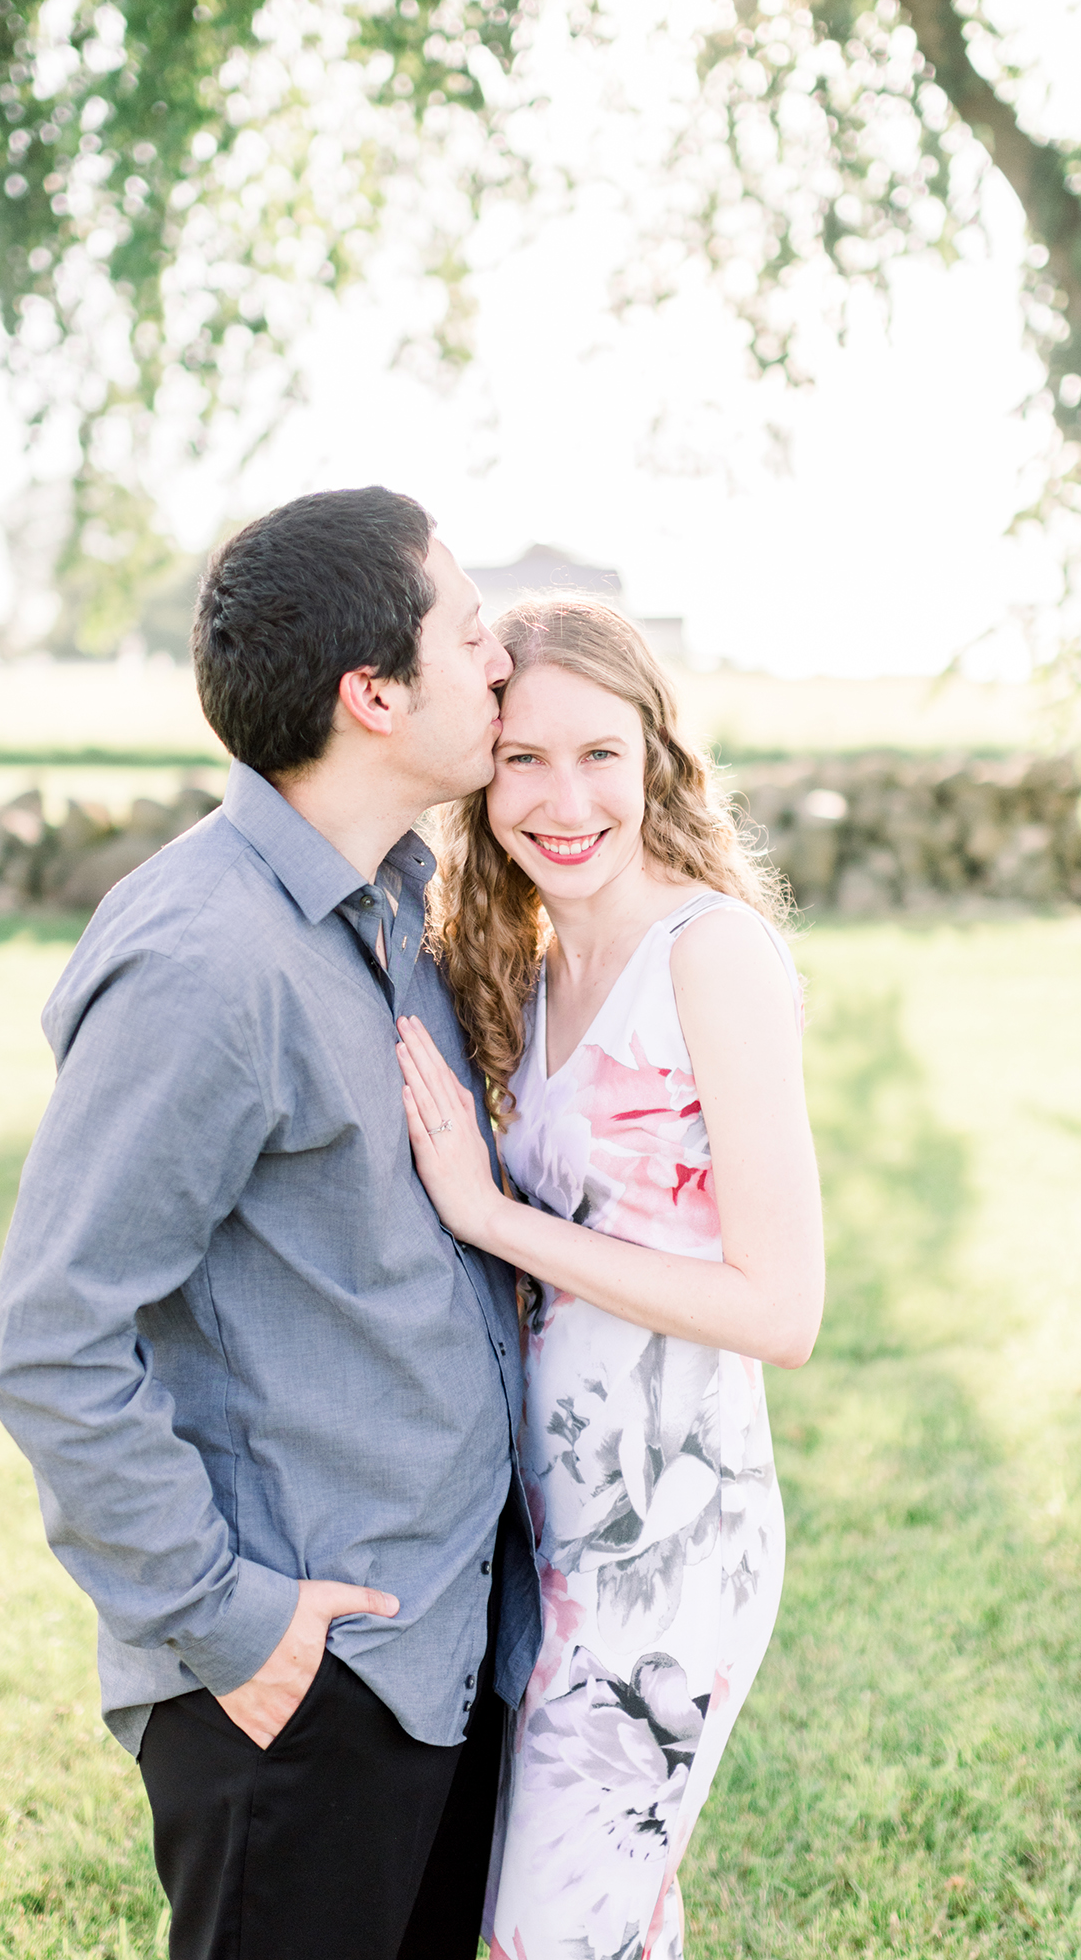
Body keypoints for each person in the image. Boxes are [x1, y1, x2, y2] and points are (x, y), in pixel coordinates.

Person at [0, 487, 542, 1960]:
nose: (503, 666)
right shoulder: (203, 959)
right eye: (473, 635)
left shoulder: (389, 908)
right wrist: (229, 1622)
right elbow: (52, 1343)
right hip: (301, 1684)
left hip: (435, 1648)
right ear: (374, 693)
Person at [394, 595, 826, 1960]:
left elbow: (780, 1308)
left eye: (599, 755)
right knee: (612, 1926)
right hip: (540, 1535)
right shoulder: (522, 965)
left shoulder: (709, 958)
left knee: (545, 1935)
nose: (561, 798)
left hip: (669, 1548)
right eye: (522, 757)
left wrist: (489, 1214)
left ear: (656, 760)